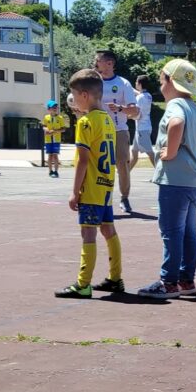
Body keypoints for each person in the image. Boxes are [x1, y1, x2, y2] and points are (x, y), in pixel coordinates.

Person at [137, 59, 196, 299]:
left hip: (174, 180)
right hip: (194, 181)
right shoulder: (195, 109)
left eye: (161, 81)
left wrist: (172, 152)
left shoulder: (175, 105)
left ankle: (169, 282)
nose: (160, 87)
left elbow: (176, 123)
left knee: (171, 231)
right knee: (188, 232)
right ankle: (187, 281)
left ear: (169, 81)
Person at [54, 69, 125, 298]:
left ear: (84, 95)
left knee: (88, 233)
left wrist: (75, 192)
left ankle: (83, 284)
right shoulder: (107, 120)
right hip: (106, 186)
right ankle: (115, 278)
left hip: (92, 188)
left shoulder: (85, 123)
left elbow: (83, 160)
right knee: (108, 229)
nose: (72, 100)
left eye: (73, 95)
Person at [93, 50, 140, 213]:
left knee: (122, 165)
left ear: (110, 63)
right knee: (99, 167)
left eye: (98, 60)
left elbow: (135, 112)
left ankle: (124, 198)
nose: (95, 63)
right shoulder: (93, 82)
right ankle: (102, 199)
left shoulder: (123, 83)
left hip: (118, 130)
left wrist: (120, 108)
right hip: (97, 131)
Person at [130, 75, 156, 170]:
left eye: (136, 82)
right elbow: (140, 94)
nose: (135, 83)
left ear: (140, 84)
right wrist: (130, 88)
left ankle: (161, 173)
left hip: (142, 129)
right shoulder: (148, 96)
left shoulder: (139, 98)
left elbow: (137, 115)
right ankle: (125, 173)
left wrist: (129, 116)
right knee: (134, 153)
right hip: (145, 127)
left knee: (150, 153)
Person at [42, 99, 69, 178]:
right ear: (48, 109)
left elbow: (63, 129)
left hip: (56, 140)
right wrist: (46, 129)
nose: (55, 108)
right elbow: (44, 126)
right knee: (50, 155)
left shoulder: (60, 118)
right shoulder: (46, 117)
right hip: (48, 140)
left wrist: (55, 131)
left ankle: (56, 171)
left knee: (55, 155)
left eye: (56, 107)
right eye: (53, 107)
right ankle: (50, 171)